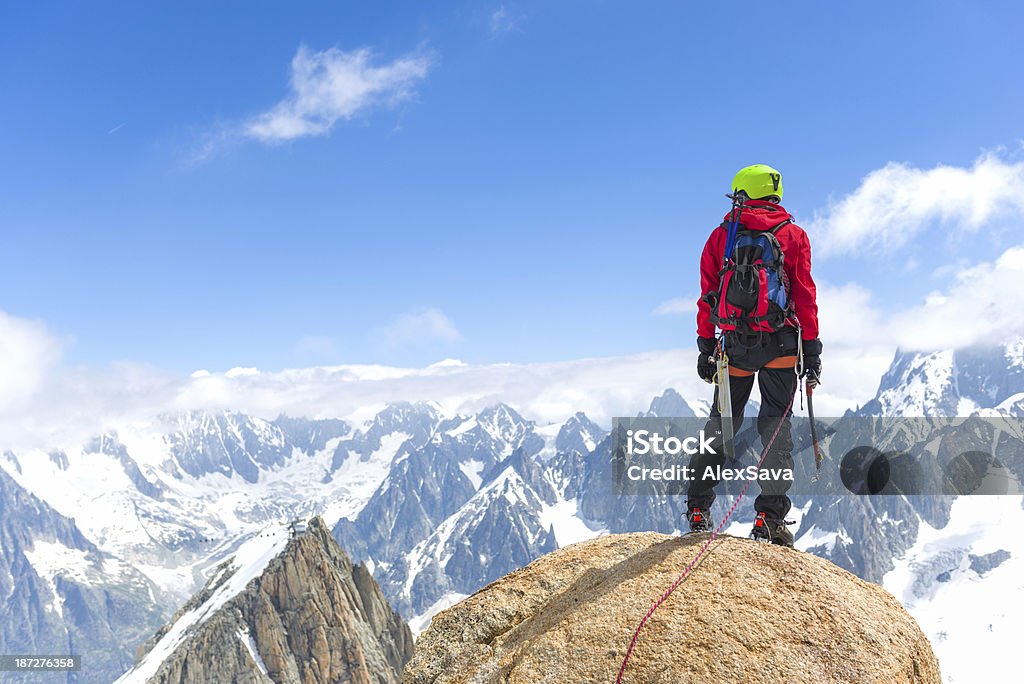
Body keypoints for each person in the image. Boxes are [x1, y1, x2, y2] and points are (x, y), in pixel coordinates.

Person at [686, 164, 822, 547]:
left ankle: (698, 509)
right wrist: (811, 349)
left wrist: (705, 343)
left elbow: (708, 294)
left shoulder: (721, 237)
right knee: (775, 433)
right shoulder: (794, 235)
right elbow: (804, 296)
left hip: (736, 347)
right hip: (780, 344)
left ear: (741, 194)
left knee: (721, 426)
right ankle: (768, 518)